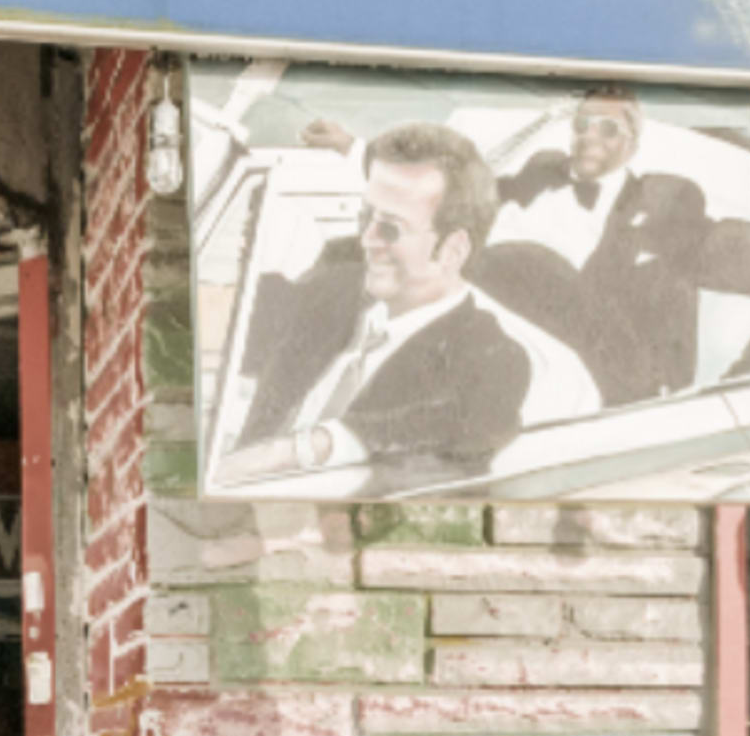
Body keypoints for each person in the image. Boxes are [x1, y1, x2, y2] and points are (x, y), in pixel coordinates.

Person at [226, 122, 598, 489]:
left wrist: (306, 449)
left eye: (390, 228)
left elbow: (467, 421)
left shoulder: (493, 357)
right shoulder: (331, 294)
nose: (367, 240)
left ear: (452, 250)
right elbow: (234, 325)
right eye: (365, 217)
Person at [480, 87, 716, 408]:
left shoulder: (662, 200)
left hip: (572, 356)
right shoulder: (541, 167)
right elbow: (469, 190)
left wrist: (666, 394)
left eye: (608, 129)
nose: (590, 136)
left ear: (632, 144)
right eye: (582, 125)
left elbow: (675, 292)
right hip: (488, 318)